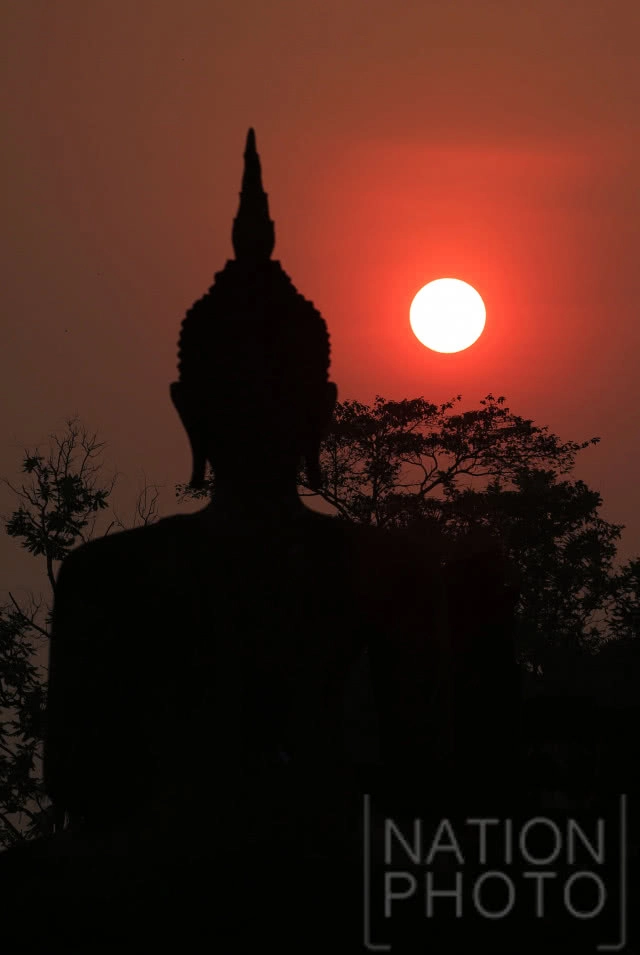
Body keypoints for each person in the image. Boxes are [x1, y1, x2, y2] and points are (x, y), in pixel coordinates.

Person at [0, 130, 520, 954]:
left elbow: (78, 783)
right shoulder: (386, 571)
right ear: (325, 413)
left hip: (160, 880)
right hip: (329, 871)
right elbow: (425, 783)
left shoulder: (112, 574)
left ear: (184, 411)